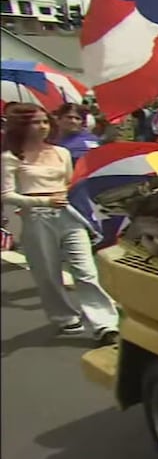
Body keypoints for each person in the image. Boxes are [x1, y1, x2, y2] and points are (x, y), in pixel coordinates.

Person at [1, 103, 120, 344]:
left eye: (45, 121)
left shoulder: (61, 152)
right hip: (36, 218)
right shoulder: (10, 157)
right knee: (47, 274)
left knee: (86, 271)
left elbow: (69, 183)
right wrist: (40, 202)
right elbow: (6, 195)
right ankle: (65, 317)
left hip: (68, 214)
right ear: (22, 125)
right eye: (36, 122)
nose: (43, 126)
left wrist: (68, 198)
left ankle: (104, 324)